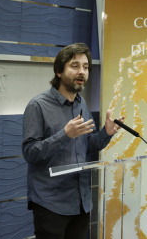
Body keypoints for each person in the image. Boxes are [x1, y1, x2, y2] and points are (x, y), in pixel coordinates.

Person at [22, 43, 124, 239]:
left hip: (81, 201)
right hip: (51, 203)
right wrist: (64, 134)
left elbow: (88, 146)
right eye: (75, 66)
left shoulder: (81, 103)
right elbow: (30, 153)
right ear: (59, 71)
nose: (82, 72)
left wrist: (106, 133)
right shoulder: (38, 105)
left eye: (85, 67)